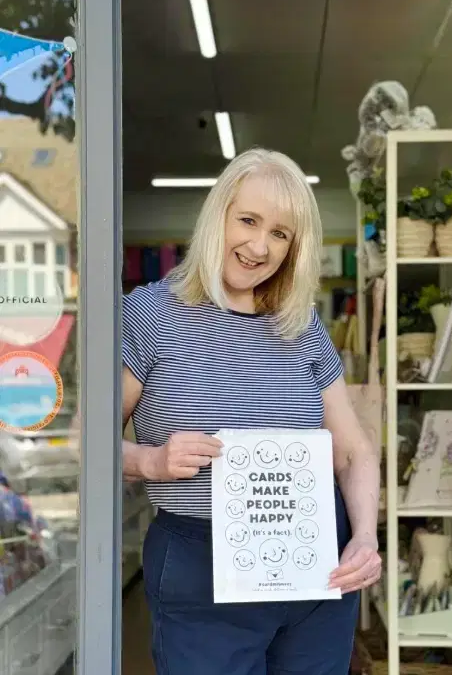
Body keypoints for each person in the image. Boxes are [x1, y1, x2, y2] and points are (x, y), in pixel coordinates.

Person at [121, 147, 381, 675]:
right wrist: (150, 461)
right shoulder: (151, 313)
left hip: (314, 566)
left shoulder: (301, 325)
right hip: (202, 564)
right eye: (248, 220)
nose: (260, 246)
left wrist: (365, 536)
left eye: (280, 233)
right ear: (217, 215)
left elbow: (353, 451)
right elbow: (85, 441)